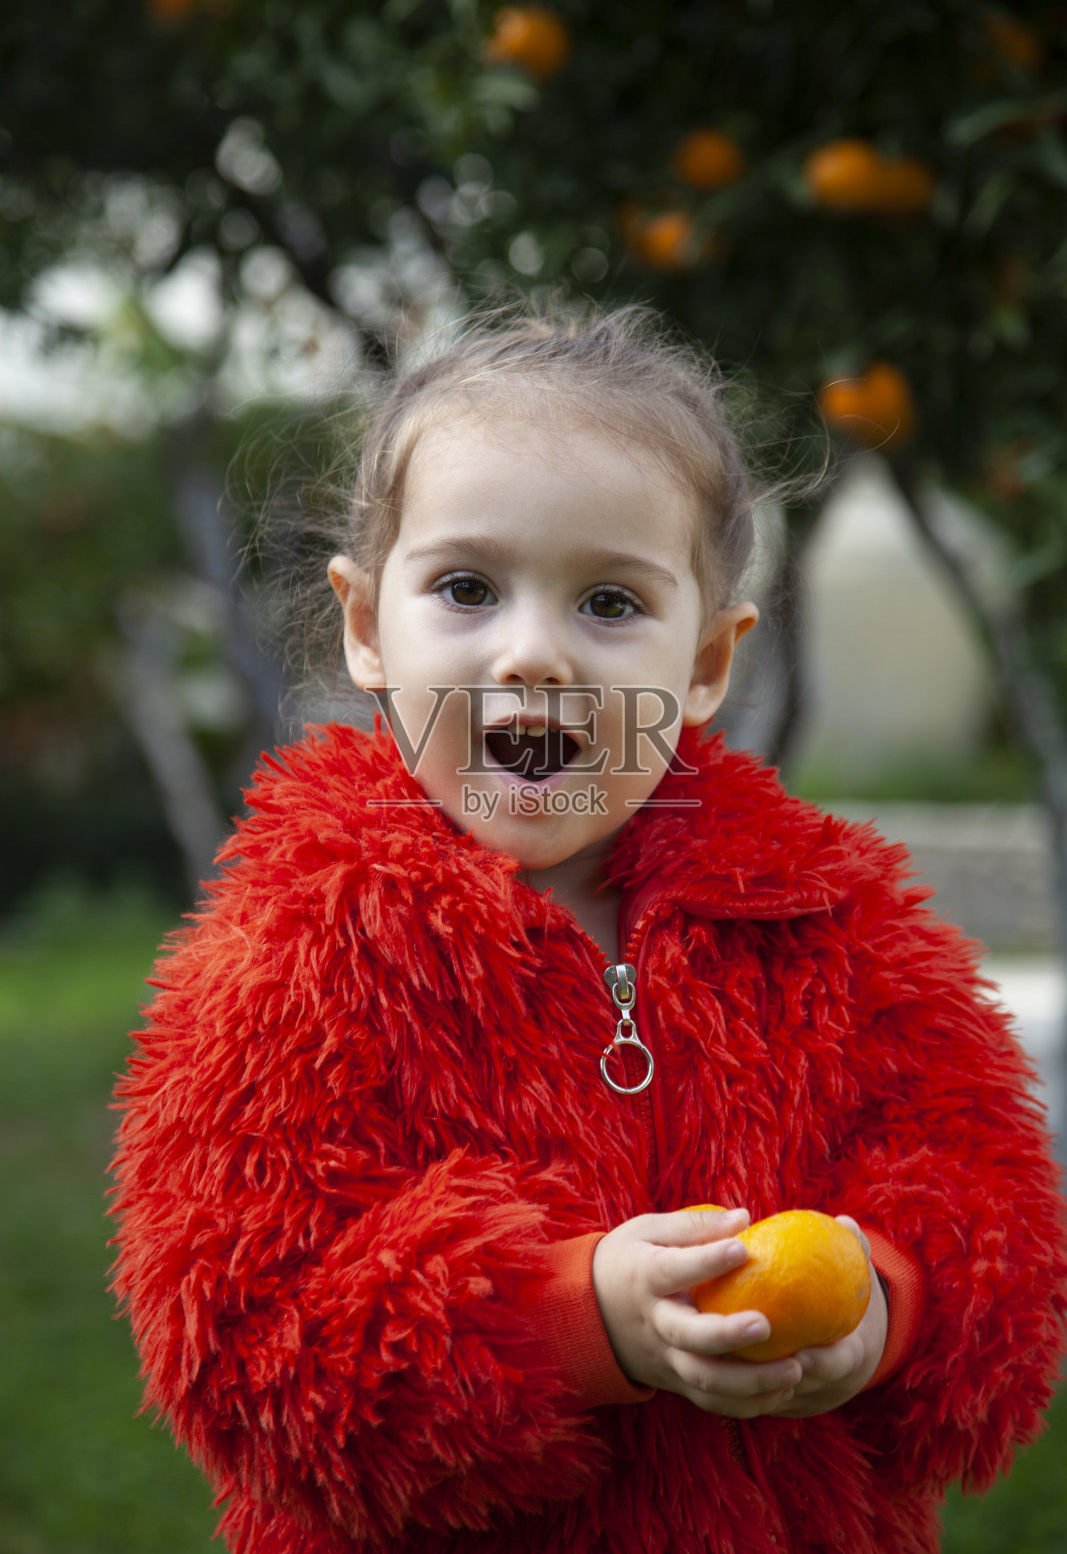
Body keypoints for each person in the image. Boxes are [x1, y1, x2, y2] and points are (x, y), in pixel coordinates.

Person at [111, 306, 1067, 1554]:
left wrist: (881, 1301)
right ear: (367, 626)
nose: (532, 654)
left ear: (707, 661)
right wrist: (572, 1320)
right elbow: (240, 1341)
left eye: (608, 601)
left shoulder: (825, 919)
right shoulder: (296, 955)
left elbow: (989, 1202)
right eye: (466, 588)